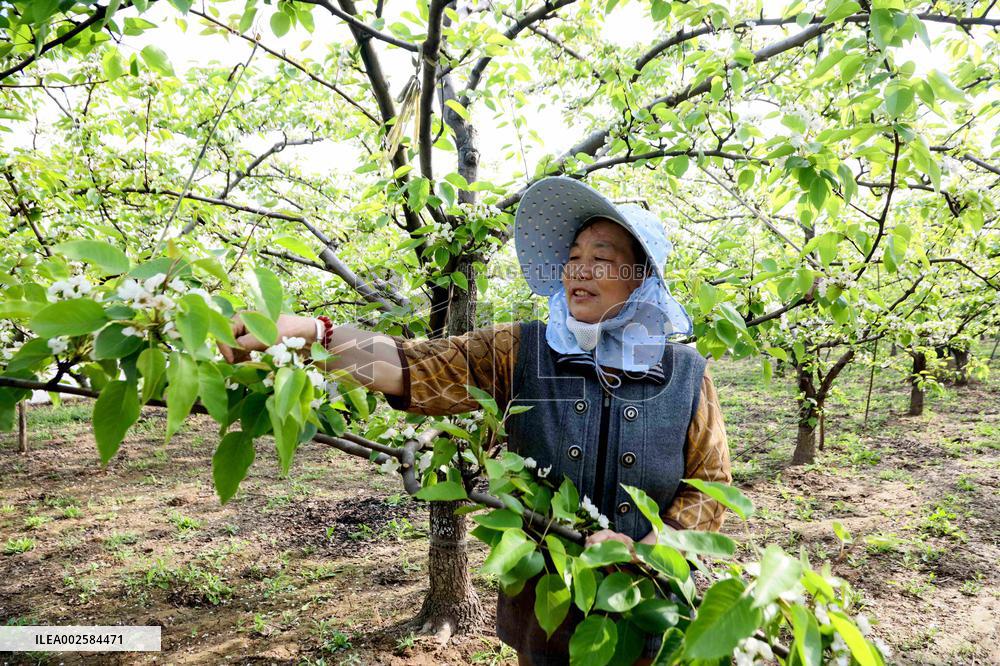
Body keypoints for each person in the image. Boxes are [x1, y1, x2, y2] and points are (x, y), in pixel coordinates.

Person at [218, 176, 732, 665]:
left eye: (602, 259)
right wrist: (312, 334)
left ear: (640, 277)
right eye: (573, 258)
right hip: (544, 605)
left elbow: (710, 485)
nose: (579, 269)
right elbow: (412, 365)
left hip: (646, 606)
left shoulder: (686, 375)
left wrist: (646, 551)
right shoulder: (520, 349)